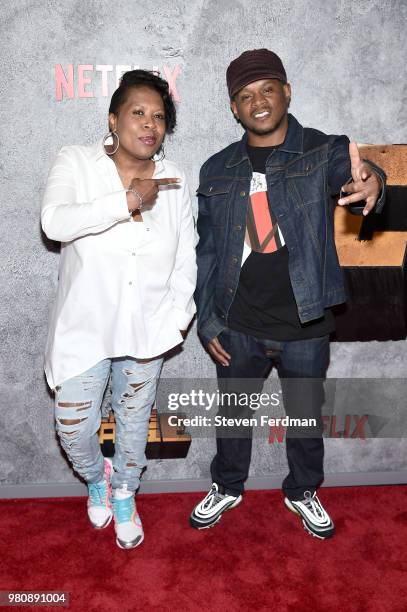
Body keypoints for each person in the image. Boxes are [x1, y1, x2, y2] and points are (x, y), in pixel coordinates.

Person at [190, 49, 385, 539]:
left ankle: (303, 490)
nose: (257, 102)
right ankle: (227, 485)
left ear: (287, 92)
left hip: (305, 324)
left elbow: (355, 170)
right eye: (245, 95)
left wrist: (371, 182)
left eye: (267, 89)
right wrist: (209, 319)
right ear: (234, 108)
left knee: (304, 419)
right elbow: (208, 252)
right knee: (232, 417)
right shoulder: (217, 169)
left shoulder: (322, 150)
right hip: (238, 323)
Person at [42, 70, 197, 549]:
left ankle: (126, 491)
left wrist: (176, 317)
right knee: (73, 427)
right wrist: (126, 201)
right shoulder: (76, 161)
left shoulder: (176, 177)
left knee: (134, 424)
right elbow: (55, 221)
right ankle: (96, 479)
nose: (149, 124)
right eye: (137, 112)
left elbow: (186, 252)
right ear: (113, 118)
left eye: (158, 116)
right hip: (84, 327)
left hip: (147, 328)